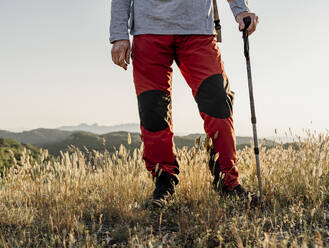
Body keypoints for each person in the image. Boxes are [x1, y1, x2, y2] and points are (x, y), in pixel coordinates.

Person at [109, 0, 259, 208]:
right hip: (149, 31)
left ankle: (228, 183)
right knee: (153, 111)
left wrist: (240, 10)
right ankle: (164, 183)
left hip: (197, 29)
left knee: (218, 102)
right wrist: (119, 34)